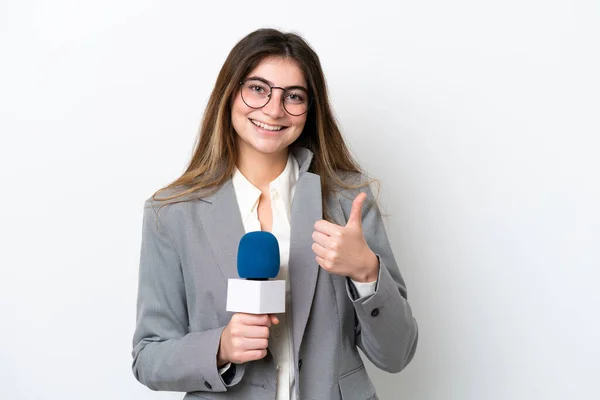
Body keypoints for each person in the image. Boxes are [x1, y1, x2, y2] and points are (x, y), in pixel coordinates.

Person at [132, 28, 418, 400]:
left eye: (293, 96)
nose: (273, 109)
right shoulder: (170, 214)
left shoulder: (347, 201)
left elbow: (397, 354)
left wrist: (366, 272)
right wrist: (219, 347)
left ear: (310, 109)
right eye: (257, 88)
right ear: (229, 94)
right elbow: (148, 356)